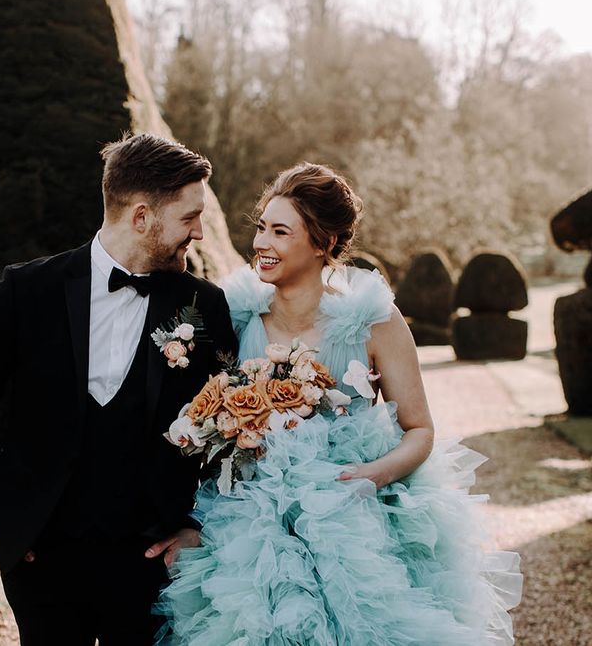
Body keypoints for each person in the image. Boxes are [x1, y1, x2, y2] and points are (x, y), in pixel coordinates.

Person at [155, 162, 523, 645]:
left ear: (323, 242)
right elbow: (203, 419)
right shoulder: (232, 316)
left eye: (280, 231)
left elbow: (420, 429)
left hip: (356, 522)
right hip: (252, 529)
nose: (261, 243)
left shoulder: (373, 323)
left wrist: (375, 474)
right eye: (261, 228)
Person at [0, 132, 237, 646]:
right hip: (40, 556)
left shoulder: (205, 306)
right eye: (190, 218)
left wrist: (195, 523)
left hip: (151, 558)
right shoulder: (26, 291)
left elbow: (228, 425)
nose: (199, 234)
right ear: (141, 217)